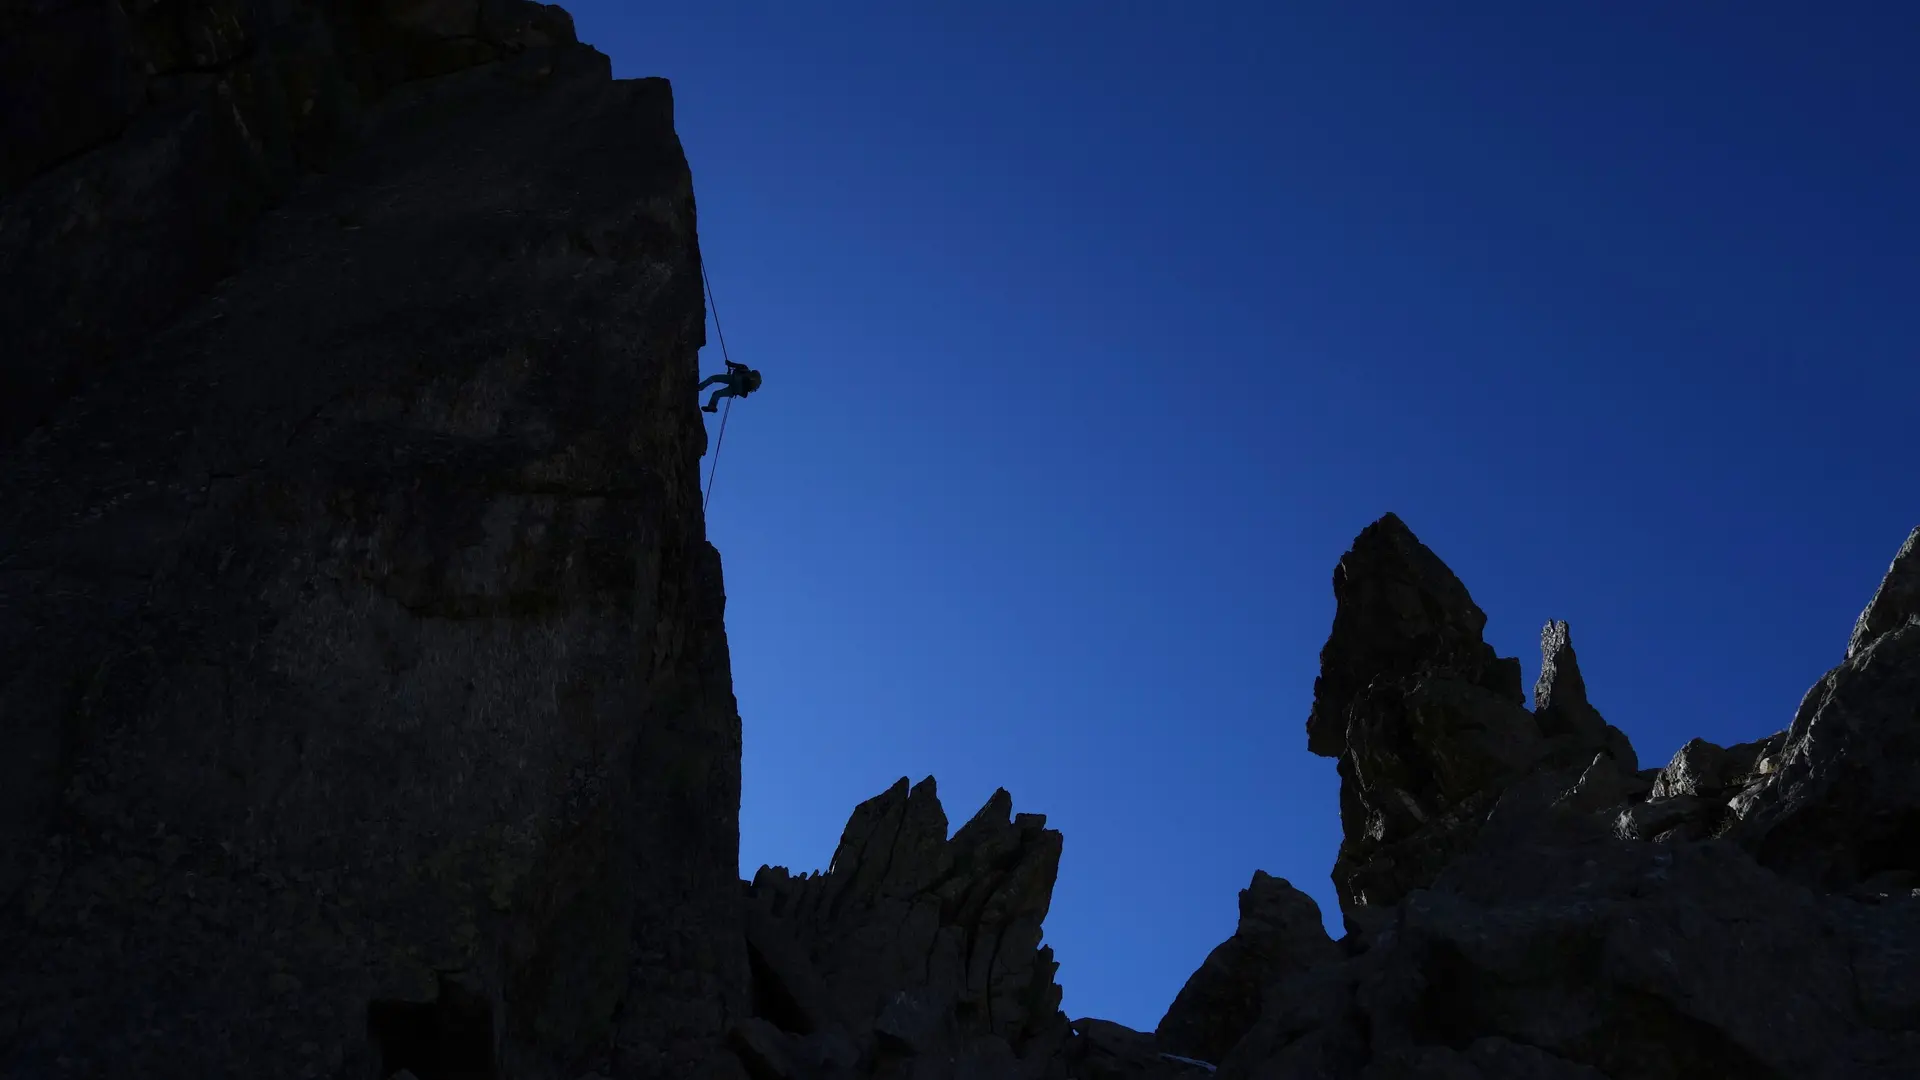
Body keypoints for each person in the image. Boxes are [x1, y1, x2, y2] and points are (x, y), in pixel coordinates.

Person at [698, 360, 762, 412]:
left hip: (735, 380)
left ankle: (700, 387)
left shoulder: (744, 367)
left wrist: (728, 363)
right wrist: (729, 370)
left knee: (714, 378)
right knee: (717, 393)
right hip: (736, 390)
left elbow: (732, 364)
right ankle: (712, 407)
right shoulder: (746, 374)